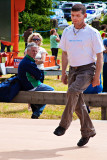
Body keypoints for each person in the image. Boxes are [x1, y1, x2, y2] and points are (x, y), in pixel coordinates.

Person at [53, 4, 104, 147]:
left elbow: (99, 56)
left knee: (73, 91)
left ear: (85, 16)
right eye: (72, 16)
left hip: (87, 69)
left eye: (78, 16)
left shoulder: (93, 33)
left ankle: (63, 125)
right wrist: (63, 72)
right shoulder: (67, 31)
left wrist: (96, 76)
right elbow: (64, 53)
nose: (74, 19)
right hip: (73, 70)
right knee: (77, 103)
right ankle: (88, 131)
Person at [18, 42, 54, 119]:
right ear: (28, 51)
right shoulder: (29, 62)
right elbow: (39, 76)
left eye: (36, 51)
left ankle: (36, 110)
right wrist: (36, 75)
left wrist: (35, 74)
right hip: (31, 85)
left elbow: (37, 75)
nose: (35, 53)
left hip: (26, 85)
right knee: (51, 91)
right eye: (33, 51)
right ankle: (37, 112)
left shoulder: (26, 60)